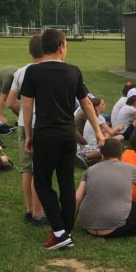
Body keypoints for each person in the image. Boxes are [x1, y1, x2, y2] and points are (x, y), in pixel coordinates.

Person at [21, 28, 104, 250]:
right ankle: (65, 229)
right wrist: (98, 131)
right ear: (60, 47)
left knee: (42, 183)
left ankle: (60, 232)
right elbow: (86, 103)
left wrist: (28, 135)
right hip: (68, 135)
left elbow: (27, 107)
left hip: (45, 135)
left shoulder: (33, 72)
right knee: (66, 182)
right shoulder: (73, 71)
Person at [76, 139, 136, 238]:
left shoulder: (90, 170)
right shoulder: (129, 168)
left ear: (102, 155)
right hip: (114, 228)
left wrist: (70, 224)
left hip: (88, 225)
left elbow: (77, 198)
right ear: (122, 155)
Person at [6, 35, 47, 227]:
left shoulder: (21, 72)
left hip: (24, 124)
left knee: (26, 168)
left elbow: (10, 102)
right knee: (40, 169)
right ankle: (39, 213)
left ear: (30, 51)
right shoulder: (49, 71)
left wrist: (22, 113)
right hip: (42, 124)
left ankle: (29, 209)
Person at [78, 97, 124, 164]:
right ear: (96, 107)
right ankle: (87, 157)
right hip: (94, 144)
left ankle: (85, 156)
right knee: (121, 137)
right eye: (102, 104)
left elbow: (103, 132)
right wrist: (118, 128)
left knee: (106, 135)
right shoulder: (100, 118)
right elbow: (111, 132)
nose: (105, 105)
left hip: (88, 142)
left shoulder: (91, 117)